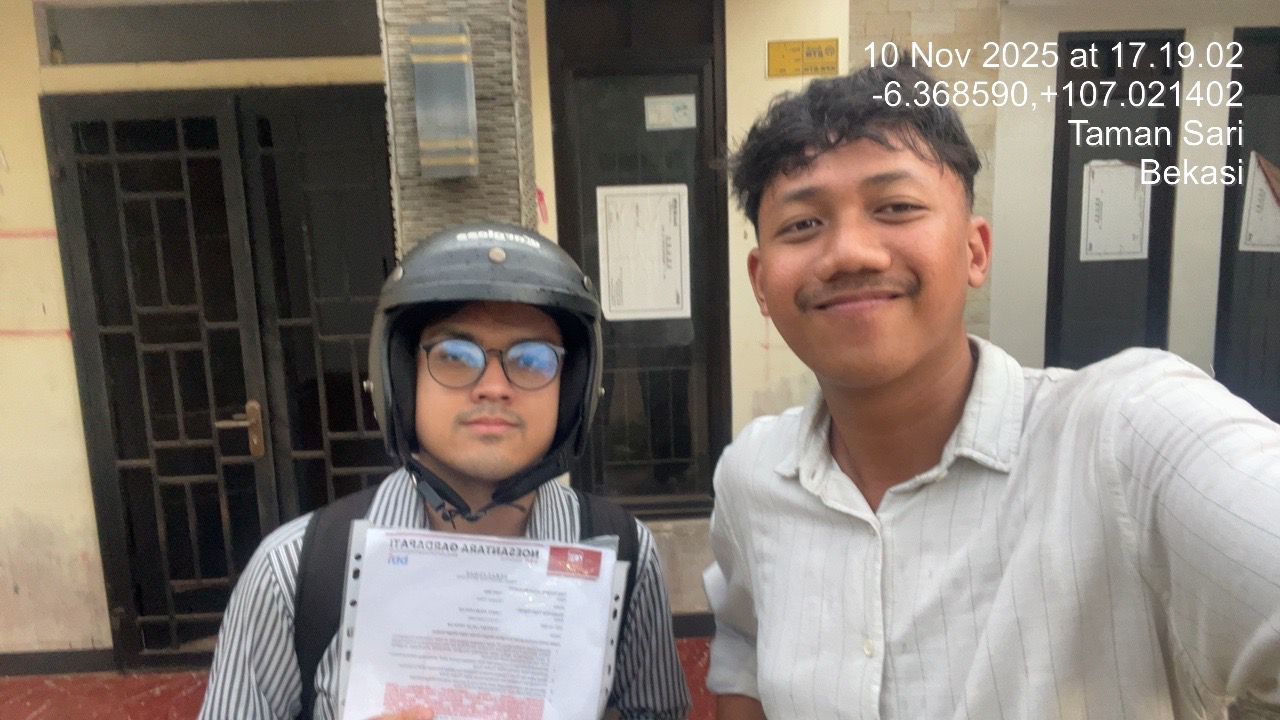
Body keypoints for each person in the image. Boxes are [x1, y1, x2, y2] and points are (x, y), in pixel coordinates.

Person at [703, 63, 1280, 719]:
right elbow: (743, 648)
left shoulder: (1127, 439)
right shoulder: (753, 478)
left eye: (896, 207)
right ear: (761, 282)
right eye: (803, 224)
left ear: (975, 250)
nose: (851, 253)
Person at [200, 223, 691, 720]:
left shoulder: (625, 556)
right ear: (400, 378)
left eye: (532, 359)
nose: (494, 387)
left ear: (572, 391)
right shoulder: (293, 573)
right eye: (455, 355)